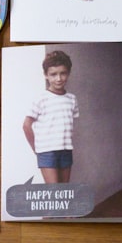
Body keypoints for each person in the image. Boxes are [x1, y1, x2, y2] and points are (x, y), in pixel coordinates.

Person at [23, 50, 78, 184]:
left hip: (66, 150)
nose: (58, 78)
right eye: (53, 74)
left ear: (68, 73)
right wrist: (36, 149)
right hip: (47, 152)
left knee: (64, 191)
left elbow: (68, 124)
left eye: (63, 73)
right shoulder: (41, 98)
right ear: (46, 75)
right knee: (53, 192)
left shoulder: (72, 99)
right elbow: (26, 125)